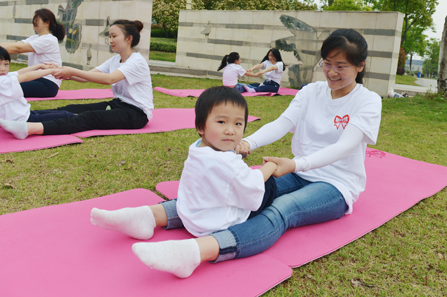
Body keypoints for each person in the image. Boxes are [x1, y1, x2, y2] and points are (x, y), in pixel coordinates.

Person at [127, 29, 382, 279]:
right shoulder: (311, 92)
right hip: (300, 171)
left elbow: (344, 147)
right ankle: (150, 215)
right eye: (327, 64)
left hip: (335, 184)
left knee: (283, 208)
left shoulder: (368, 101)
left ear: (360, 66)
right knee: (237, 188)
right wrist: (247, 142)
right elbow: (282, 123)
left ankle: (198, 251)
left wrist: (294, 164)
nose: (332, 72)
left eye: (341, 66)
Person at [89, 86, 279, 277]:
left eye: (238, 124)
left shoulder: (198, 147)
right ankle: (193, 251)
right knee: (270, 196)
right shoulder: (227, 162)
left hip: (191, 214)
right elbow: (253, 184)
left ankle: (144, 216)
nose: (230, 131)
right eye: (222, 122)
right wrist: (270, 167)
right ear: (201, 127)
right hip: (215, 225)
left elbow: (221, 164)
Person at [0, 20, 153, 139]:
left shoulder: (137, 61)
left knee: (89, 118)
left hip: (136, 114)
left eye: (114, 36)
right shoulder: (115, 60)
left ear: (129, 38)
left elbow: (109, 79)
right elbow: (85, 77)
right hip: (118, 104)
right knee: (72, 108)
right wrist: (60, 71)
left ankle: (31, 128)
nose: (110, 40)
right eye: (109, 37)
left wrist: (70, 70)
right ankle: (23, 118)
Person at [0, 8, 64, 98]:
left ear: (47, 23)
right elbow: (15, 45)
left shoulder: (49, 39)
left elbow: (18, 49)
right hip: (34, 78)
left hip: (47, 83)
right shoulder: (34, 38)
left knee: (6, 87)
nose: (34, 22)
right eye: (34, 19)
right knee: (5, 83)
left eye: (37, 20)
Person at [0, 46, 75, 123]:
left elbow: (20, 72)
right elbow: (27, 76)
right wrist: (52, 71)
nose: (3, 68)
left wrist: (40, 66)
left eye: (6, 64)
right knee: (64, 115)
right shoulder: (2, 80)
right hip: (23, 120)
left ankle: (80, 118)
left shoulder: (4, 76)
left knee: (60, 113)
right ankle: (81, 120)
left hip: (25, 115)